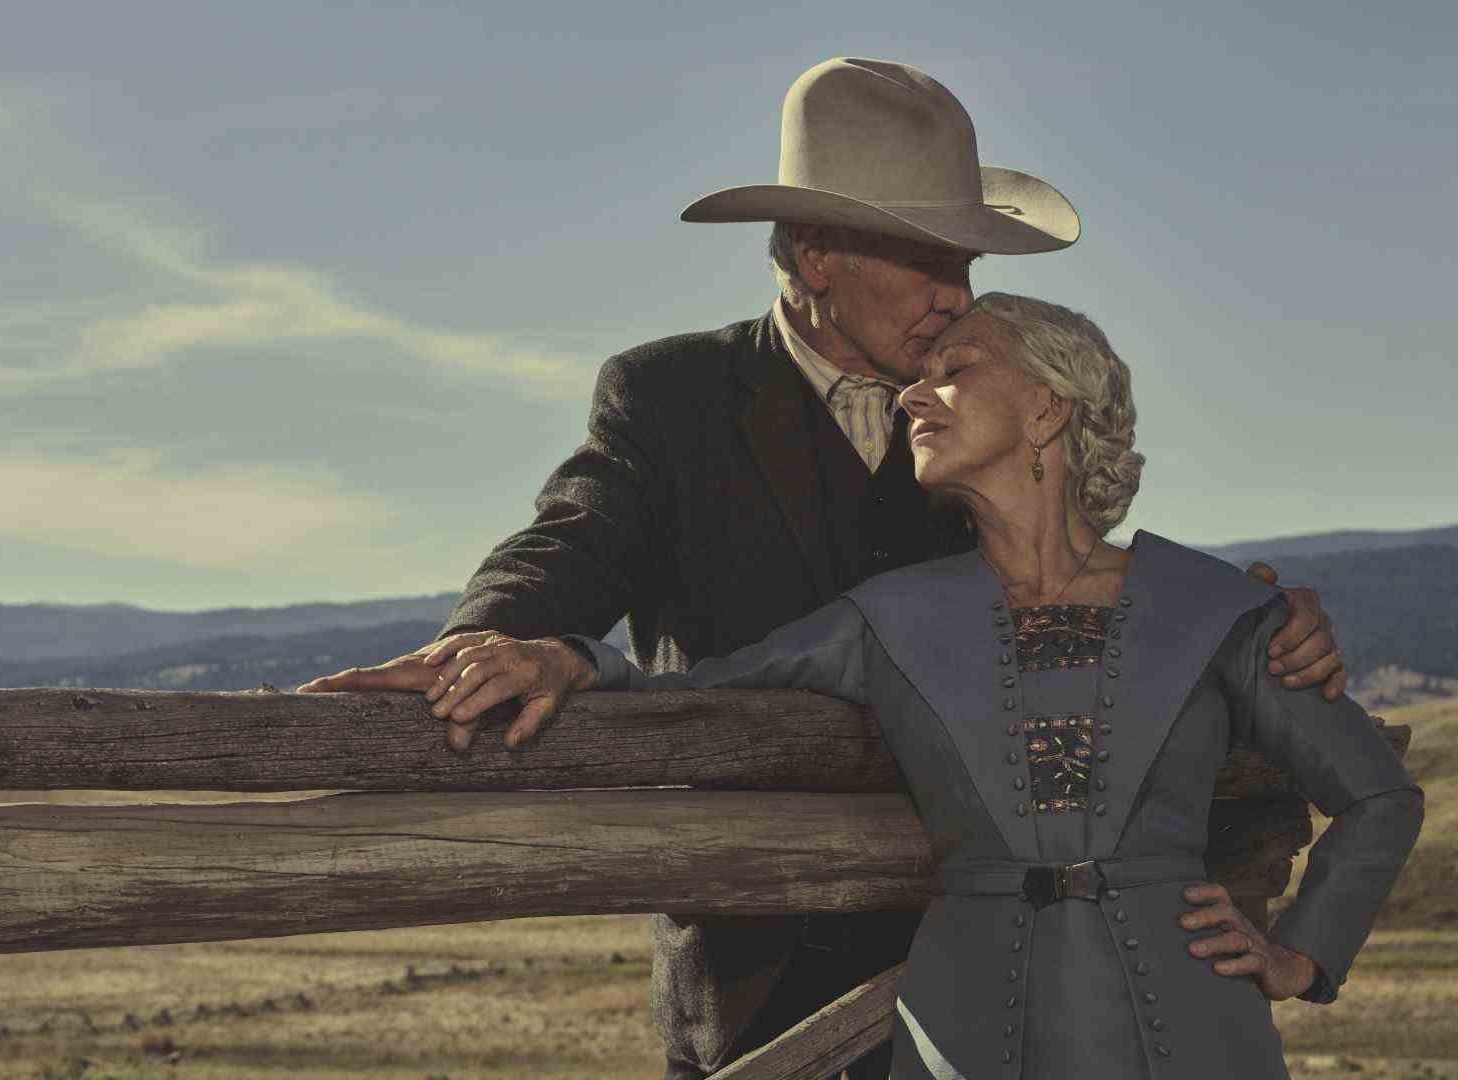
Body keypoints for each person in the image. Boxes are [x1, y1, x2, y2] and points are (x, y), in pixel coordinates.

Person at [299, 59, 1348, 1080]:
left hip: (980, 959)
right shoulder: (672, 397)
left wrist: (1251, 620)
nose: (957, 294)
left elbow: (1078, 582)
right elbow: (573, 538)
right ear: (815, 255)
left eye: (968, 265)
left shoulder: (974, 415)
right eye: (925, 259)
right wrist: (494, 635)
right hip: (756, 959)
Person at [407, 293, 1423, 1080]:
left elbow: (1379, 796)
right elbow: (704, 693)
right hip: (965, 1021)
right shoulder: (887, 615)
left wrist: (1302, 953)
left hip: (1193, 1025)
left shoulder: (1217, 607)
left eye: (954, 371)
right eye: (917, 375)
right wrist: (567, 657)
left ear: (1045, 407)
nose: (909, 392)